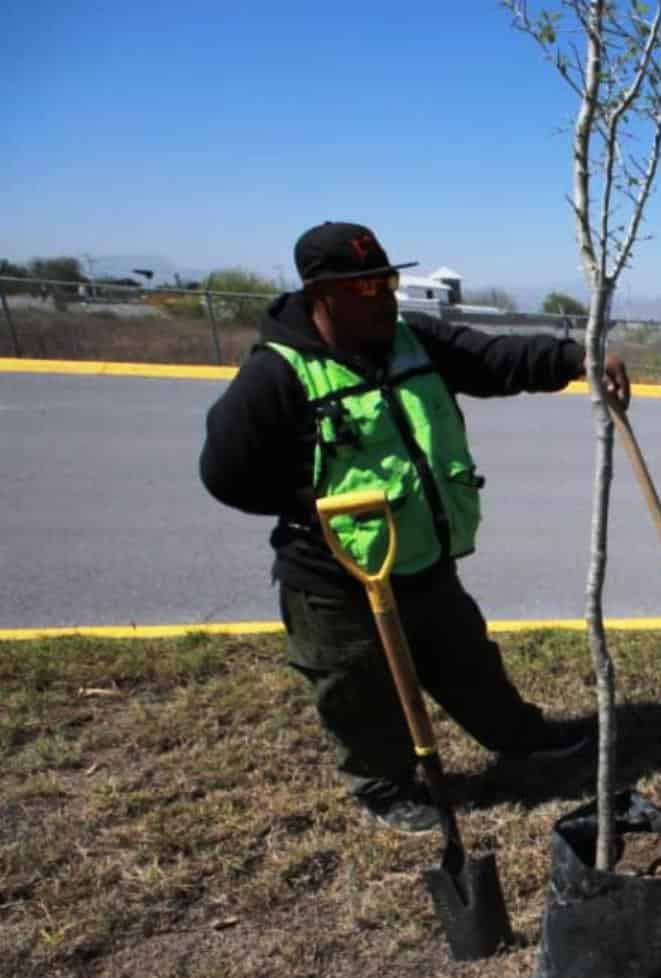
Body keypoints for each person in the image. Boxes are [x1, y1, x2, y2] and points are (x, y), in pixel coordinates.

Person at [200, 221, 630, 833]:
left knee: (467, 661)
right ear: (320, 294)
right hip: (334, 576)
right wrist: (314, 506)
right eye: (363, 286)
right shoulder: (278, 373)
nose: (381, 295)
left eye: (386, 280)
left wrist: (576, 358)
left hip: (422, 557)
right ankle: (385, 786)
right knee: (357, 690)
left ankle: (521, 738)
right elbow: (226, 473)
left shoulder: (413, 341)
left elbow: (490, 357)